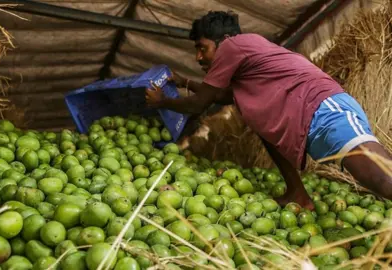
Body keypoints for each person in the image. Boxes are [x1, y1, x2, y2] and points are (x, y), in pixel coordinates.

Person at [145, 11, 392, 210]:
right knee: (265, 128)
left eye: (203, 47)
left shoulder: (233, 46)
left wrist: (161, 102)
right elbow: (223, 95)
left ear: (224, 40)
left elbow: (200, 104)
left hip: (324, 109)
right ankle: (298, 194)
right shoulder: (244, 62)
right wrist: (184, 82)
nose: (199, 57)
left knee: (381, 178)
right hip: (312, 118)